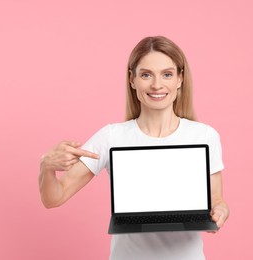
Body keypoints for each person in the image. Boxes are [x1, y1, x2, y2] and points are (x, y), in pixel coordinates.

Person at [39, 36, 229, 260]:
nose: (157, 85)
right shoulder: (112, 137)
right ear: (132, 80)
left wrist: (220, 212)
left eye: (167, 74)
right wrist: (46, 166)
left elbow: (217, 201)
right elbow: (54, 198)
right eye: (146, 75)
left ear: (180, 79)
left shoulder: (205, 135)